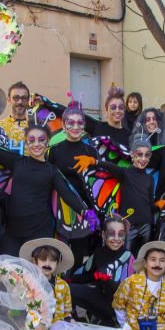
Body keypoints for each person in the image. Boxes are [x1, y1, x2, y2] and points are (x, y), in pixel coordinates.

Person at [0, 125, 95, 256]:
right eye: (32, 140)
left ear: (47, 143)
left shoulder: (52, 171)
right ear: (26, 142)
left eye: (41, 140)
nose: (36, 144)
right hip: (13, 231)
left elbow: (67, 194)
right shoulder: (17, 162)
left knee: (36, 274)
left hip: (39, 231)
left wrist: (86, 213)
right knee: (7, 270)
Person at [79, 134, 155, 253]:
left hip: (146, 224)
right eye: (139, 154)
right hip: (129, 224)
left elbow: (150, 201)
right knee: (124, 254)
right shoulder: (125, 173)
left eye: (147, 155)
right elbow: (109, 166)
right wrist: (93, 161)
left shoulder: (149, 178)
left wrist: (158, 206)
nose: (143, 158)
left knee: (145, 255)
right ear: (132, 155)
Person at [19, 238, 76, 330]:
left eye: (52, 260)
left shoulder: (63, 286)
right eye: (43, 259)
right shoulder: (28, 285)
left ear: (58, 263)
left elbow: (67, 312)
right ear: (34, 260)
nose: (47, 264)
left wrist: (71, 322)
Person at [47, 101, 99, 263]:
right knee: (58, 252)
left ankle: (73, 286)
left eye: (79, 123)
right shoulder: (54, 150)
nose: (75, 127)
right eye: (71, 123)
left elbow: (97, 182)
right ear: (63, 125)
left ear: (84, 125)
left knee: (79, 254)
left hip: (85, 210)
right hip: (59, 209)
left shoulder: (91, 151)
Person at [69, 216, 135, 325]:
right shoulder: (99, 252)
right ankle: (71, 318)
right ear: (104, 235)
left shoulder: (128, 256)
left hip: (121, 309)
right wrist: (63, 282)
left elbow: (126, 292)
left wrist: (106, 278)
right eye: (111, 233)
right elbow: (82, 273)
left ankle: (109, 321)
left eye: (121, 234)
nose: (116, 238)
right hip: (101, 298)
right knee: (65, 288)